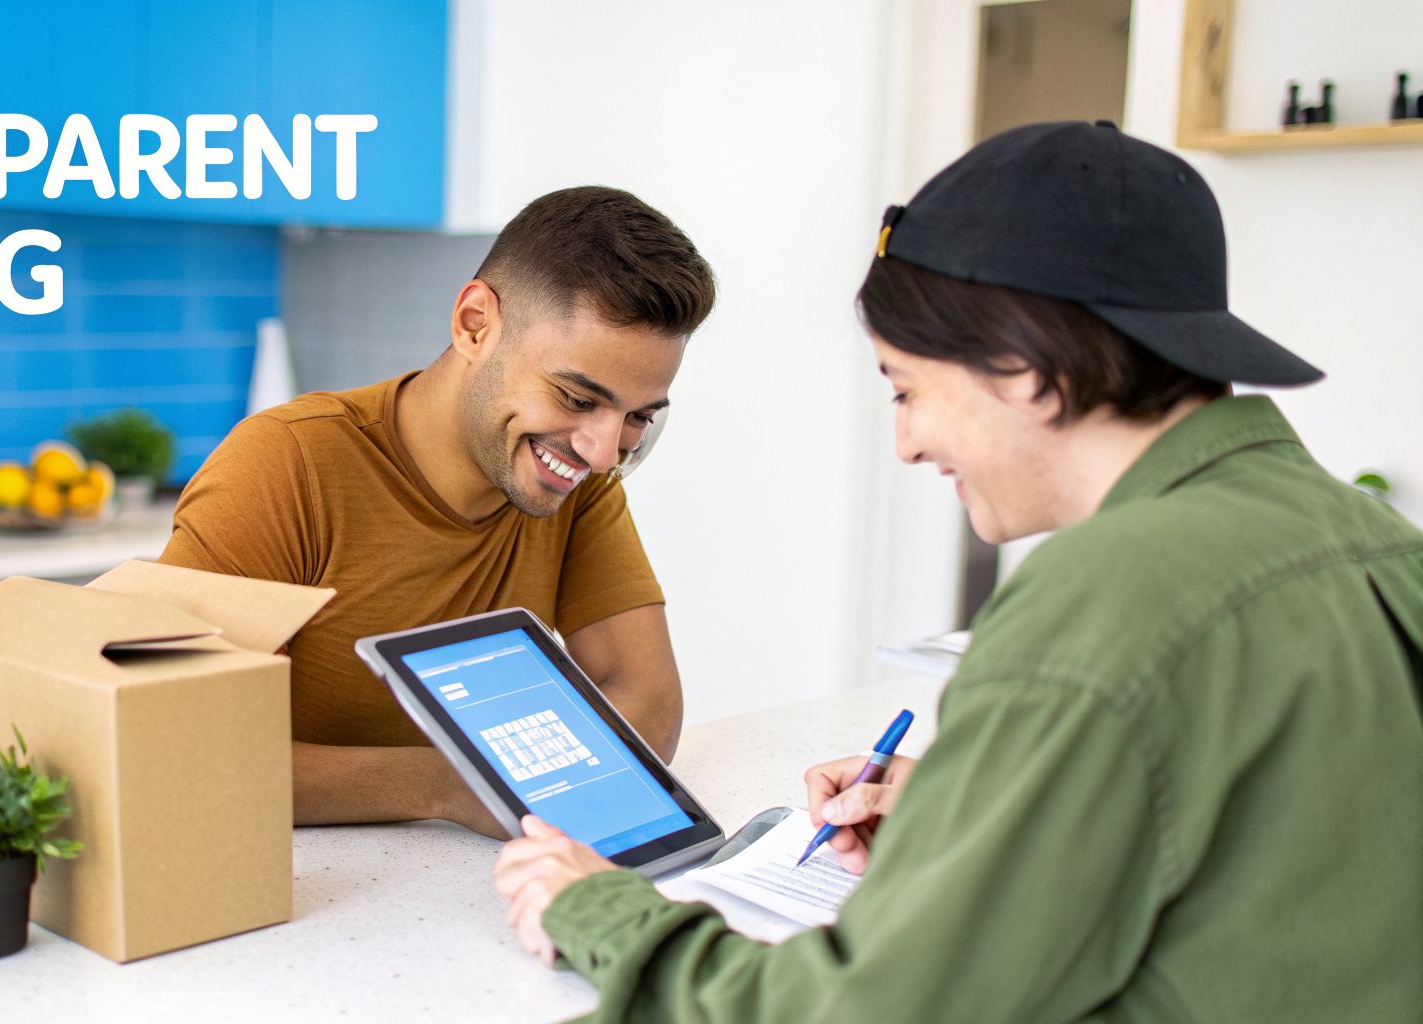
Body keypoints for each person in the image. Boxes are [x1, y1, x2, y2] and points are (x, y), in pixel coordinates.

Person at [492, 121, 1423, 1020]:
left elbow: (868, 1012)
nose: (904, 443)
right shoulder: (1373, 542)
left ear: (1020, 364)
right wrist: (989, 819)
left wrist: (603, 914)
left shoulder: (1109, 591)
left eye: (906, 388)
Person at [162, 186, 718, 837]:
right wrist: (450, 784)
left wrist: (486, 784)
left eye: (637, 417)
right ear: (475, 324)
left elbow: (647, 701)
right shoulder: (286, 464)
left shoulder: (577, 482)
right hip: (275, 884)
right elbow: (180, 744)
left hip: (452, 883)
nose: (601, 452)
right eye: (575, 397)